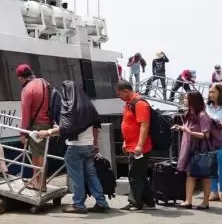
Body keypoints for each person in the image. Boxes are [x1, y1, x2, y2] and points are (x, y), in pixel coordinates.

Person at [37, 82, 109, 214]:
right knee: (92, 176)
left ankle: (79, 205)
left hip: (75, 148)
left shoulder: (71, 108)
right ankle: (101, 202)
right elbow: (96, 127)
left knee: (77, 177)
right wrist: (95, 144)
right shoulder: (88, 106)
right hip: (89, 146)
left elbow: (66, 128)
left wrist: (47, 132)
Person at [117, 81, 155, 211]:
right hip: (131, 144)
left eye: (119, 94)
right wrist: (125, 141)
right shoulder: (128, 104)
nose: (119, 97)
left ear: (126, 91)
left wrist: (139, 145)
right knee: (141, 174)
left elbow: (144, 125)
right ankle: (149, 201)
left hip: (139, 147)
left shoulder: (139, 104)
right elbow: (128, 123)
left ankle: (135, 202)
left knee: (134, 174)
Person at [15, 63, 52, 190]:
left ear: (20, 77)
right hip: (48, 123)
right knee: (41, 154)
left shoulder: (27, 89)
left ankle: (40, 184)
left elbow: (25, 114)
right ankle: (39, 182)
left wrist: (22, 133)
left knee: (37, 155)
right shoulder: (43, 82)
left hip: (36, 126)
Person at [177, 90, 216, 209]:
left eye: (186, 98)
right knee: (190, 174)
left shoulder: (203, 116)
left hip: (201, 149)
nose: (184, 100)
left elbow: (206, 135)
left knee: (205, 176)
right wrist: (182, 128)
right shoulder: (190, 113)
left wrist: (189, 132)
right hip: (191, 148)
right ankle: (188, 200)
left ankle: (205, 202)